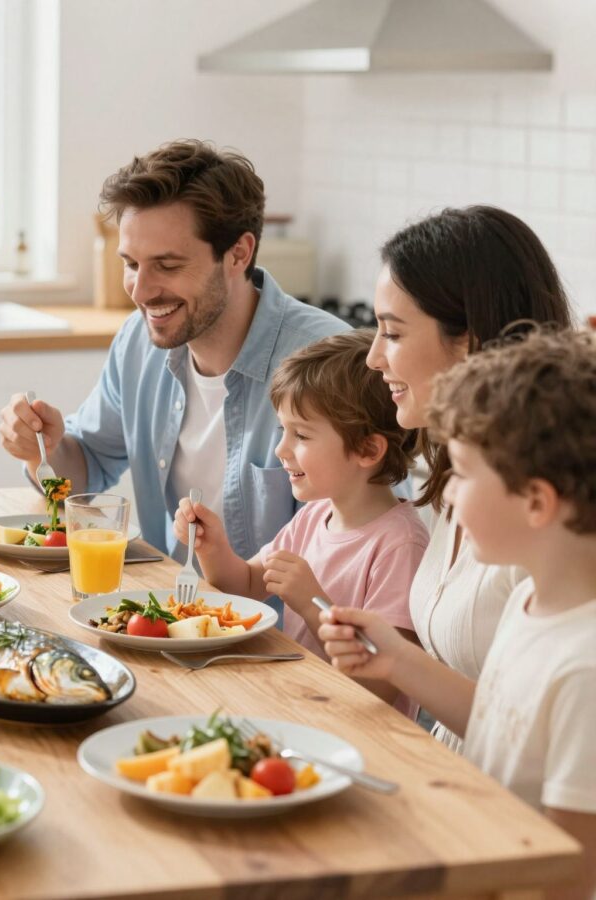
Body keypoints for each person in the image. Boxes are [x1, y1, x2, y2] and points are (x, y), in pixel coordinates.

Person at [319, 329, 596, 899]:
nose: (447, 494)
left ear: (537, 502)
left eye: (464, 474)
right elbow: (500, 726)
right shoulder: (531, 602)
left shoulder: (585, 670)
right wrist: (397, 660)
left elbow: (571, 874)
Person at [0, 140, 347, 562]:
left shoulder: (327, 363)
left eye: (167, 265)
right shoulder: (137, 341)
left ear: (238, 254)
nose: (141, 291)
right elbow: (87, 464)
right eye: (131, 264)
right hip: (164, 613)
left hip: (278, 627)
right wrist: (45, 447)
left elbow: (357, 550)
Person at [365, 205, 573, 749]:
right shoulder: (458, 473)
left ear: (469, 341)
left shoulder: (541, 511)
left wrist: (399, 660)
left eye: (392, 333)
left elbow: (536, 735)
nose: (373, 357)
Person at [172, 329, 426, 714]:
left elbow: (381, 684)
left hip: (363, 731)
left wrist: (313, 605)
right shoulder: (314, 517)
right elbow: (245, 585)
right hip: (302, 707)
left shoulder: (400, 544)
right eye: (283, 431)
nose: (281, 449)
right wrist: (213, 547)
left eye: (302, 435)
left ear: (367, 449)